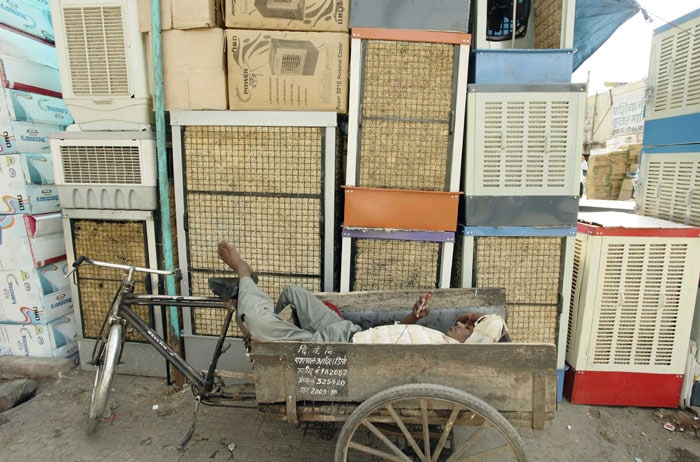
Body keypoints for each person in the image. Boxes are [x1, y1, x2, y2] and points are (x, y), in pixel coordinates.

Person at [217, 240, 508, 344]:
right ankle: (255, 304)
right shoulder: (437, 339)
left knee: (258, 323)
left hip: (334, 346)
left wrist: (478, 318)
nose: (460, 322)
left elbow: (494, 326)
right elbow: (393, 334)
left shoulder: (440, 350)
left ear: (473, 343)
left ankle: (245, 280)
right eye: (465, 321)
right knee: (294, 292)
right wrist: (413, 315)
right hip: (346, 330)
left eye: (467, 327)